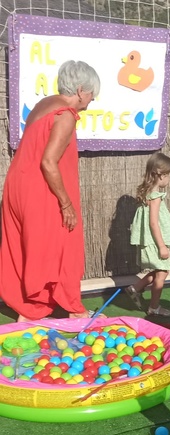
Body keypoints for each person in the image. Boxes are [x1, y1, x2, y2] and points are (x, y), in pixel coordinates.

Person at [0, 60, 100, 321]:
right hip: (40, 189)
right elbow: (48, 162)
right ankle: (74, 310)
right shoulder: (65, 115)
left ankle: (27, 309)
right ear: (80, 90)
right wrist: (66, 203)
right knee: (64, 244)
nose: (92, 101)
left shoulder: (43, 105)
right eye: (92, 94)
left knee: (26, 247)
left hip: (17, 185)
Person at [126, 152, 170, 317]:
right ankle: (154, 307)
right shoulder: (155, 197)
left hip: (150, 241)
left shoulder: (146, 192)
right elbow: (153, 223)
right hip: (156, 242)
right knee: (162, 274)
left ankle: (136, 288)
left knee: (159, 271)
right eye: (169, 175)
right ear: (161, 175)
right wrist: (162, 246)